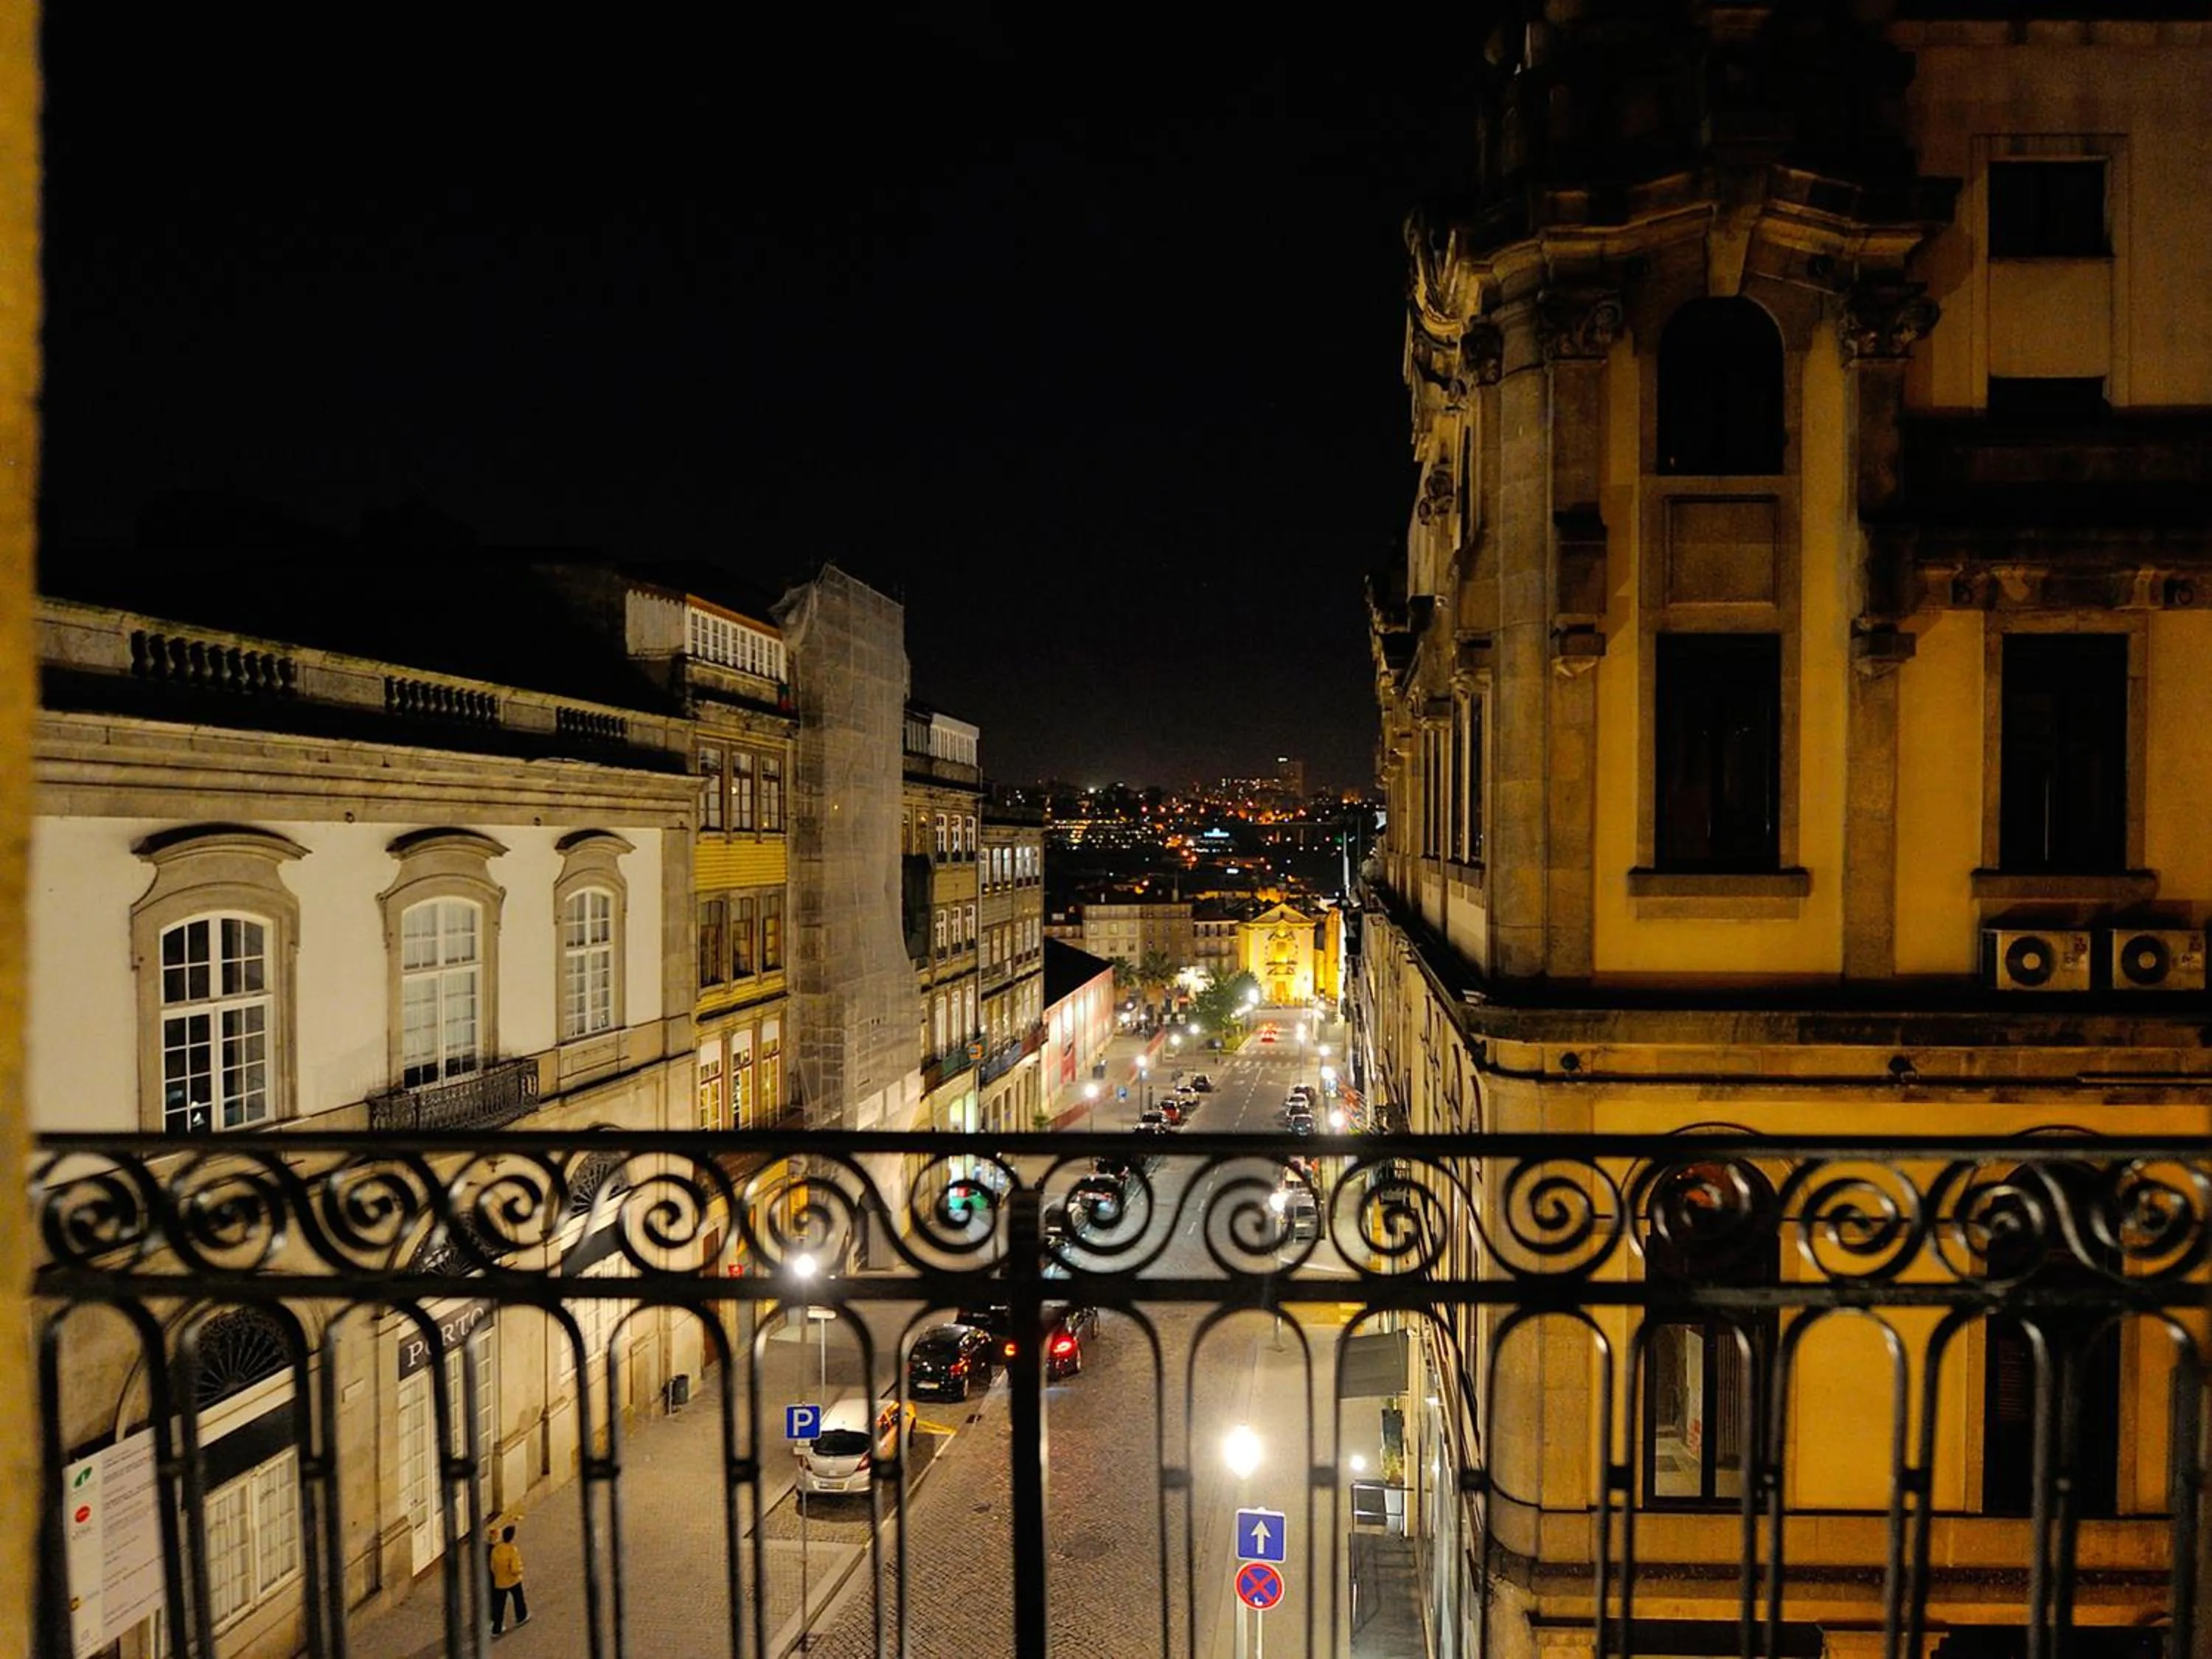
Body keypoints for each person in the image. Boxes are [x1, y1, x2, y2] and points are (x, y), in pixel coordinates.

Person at [488, 1523, 528, 1636]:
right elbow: (515, 1569)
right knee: (518, 1599)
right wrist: (520, 1569)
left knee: (499, 1605)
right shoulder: (512, 1550)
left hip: (500, 1582)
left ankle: (497, 1628)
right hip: (513, 1580)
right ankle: (521, 1617)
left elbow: (492, 1566)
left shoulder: (496, 1550)